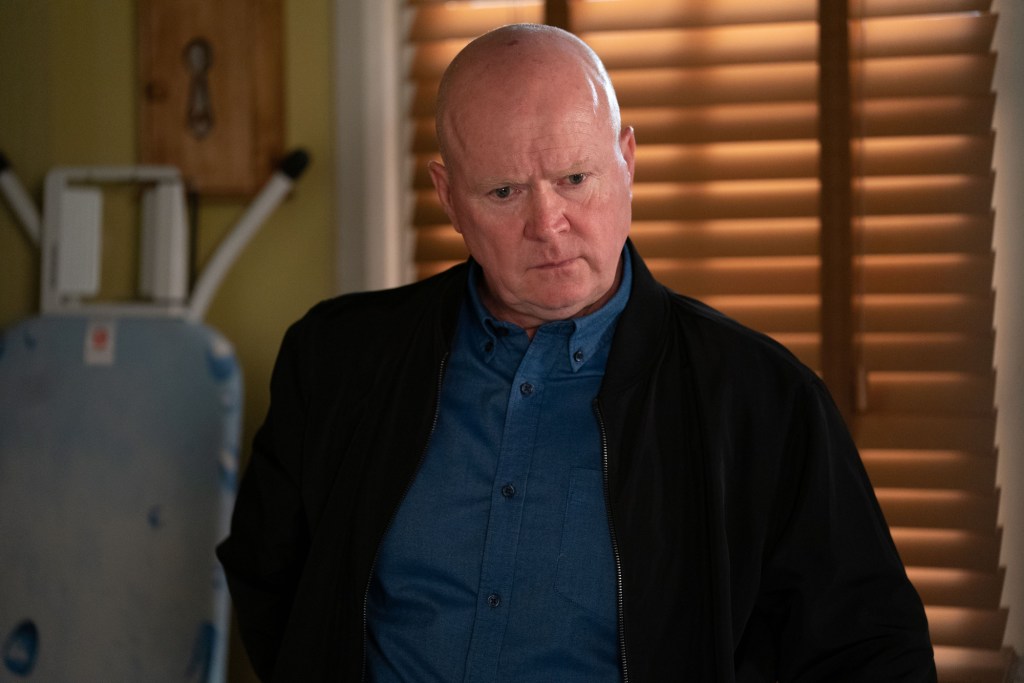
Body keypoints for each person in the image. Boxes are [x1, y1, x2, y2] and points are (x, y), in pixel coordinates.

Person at [216, 23, 936, 682]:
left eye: (574, 179)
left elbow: (869, 652)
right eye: (503, 191)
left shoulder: (763, 400)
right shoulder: (336, 359)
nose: (548, 224)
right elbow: (272, 583)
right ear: (449, 197)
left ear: (627, 162)